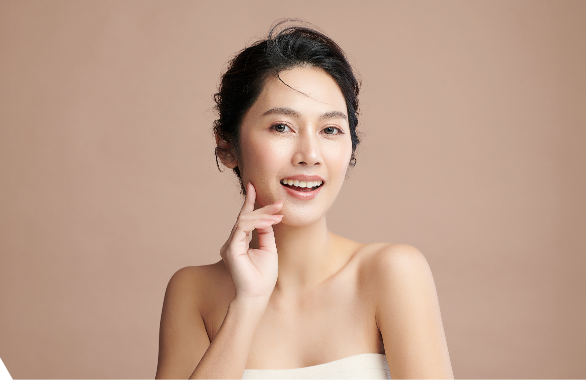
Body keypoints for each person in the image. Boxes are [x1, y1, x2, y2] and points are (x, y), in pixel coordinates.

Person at [155, 20, 455, 380]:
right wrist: (246, 306)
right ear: (227, 145)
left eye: (330, 130)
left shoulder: (391, 272)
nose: (310, 154)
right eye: (282, 126)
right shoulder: (193, 292)